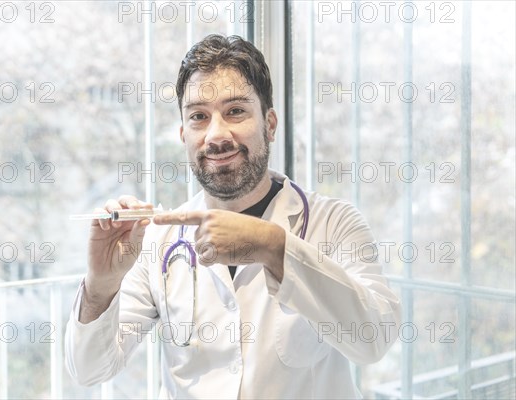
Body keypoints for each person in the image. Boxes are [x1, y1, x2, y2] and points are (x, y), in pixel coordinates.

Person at [65, 34, 401, 399]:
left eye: (236, 111)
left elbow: (374, 339)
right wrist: (101, 286)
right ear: (183, 135)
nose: (216, 135)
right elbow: (89, 370)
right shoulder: (158, 242)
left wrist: (273, 248)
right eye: (198, 117)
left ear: (269, 124)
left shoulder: (334, 223)